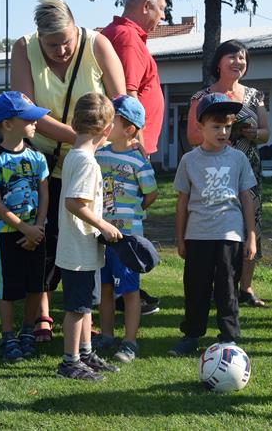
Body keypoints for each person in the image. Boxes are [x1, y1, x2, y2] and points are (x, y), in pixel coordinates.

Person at [11, 0, 126, 342]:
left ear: (77, 29)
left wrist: (101, 142)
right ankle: (43, 314)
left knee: (87, 241)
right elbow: (27, 110)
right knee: (42, 241)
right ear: (38, 38)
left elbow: (122, 102)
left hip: (90, 163)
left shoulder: (98, 44)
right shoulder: (23, 49)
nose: (61, 50)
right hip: (44, 165)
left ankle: (81, 313)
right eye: (52, 45)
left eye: (67, 42)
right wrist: (81, 136)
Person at [169, 93, 257, 356]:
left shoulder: (238, 159)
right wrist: (180, 238)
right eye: (216, 126)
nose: (222, 132)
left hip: (229, 235)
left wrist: (250, 236)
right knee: (195, 289)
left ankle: (229, 337)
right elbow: (182, 202)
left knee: (227, 289)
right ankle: (191, 335)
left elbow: (246, 198)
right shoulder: (189, 160)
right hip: (197, 235)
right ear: (200, 127)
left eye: (227, 126)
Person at [186, 40, 270, 308]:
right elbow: (192, 135)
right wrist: (220, 138)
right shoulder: (202, 97)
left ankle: (245, 287)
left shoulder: (255, 96)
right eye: (232, 57)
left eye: (243, 57)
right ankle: (218, 285)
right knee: (217, 225)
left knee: (250, 224)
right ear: (219, 63)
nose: (238, 62)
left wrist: (253, 133)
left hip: (249, 169)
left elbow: (267, 133)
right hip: (213, 170)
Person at [101, 0, 167, 315]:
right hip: (127, 149)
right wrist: (135, 142)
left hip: (128, 145)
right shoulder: (127, 37)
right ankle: (124, 293)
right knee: (124, 218)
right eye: (161, 9)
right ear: (145, 5)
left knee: (122, 215)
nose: (162, 17)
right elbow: (124, 96)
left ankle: (124, 289)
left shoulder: (127, 36)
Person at [55, 92, 122, 381]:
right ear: (106, 130)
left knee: (85, 306)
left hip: (83, 249)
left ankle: (85, 353)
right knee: (77, 308)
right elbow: (74, 202)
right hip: (77, 251)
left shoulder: (75, 155)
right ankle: (69, 362)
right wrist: (104, 225)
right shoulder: (85, 161)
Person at [0, 91, 51, 362]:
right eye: (29, 118)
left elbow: (45, 195)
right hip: (9, 234)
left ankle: (27, 331)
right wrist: (25, 229)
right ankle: (8, 336)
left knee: (36, 285)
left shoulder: (38, 158)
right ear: (8, 124)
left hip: (37, 232)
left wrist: (38, 228)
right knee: (10, 289)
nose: (36, 123)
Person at [94, 95, 158, 363]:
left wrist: (135, 209)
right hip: (102, 236)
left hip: (129, 239)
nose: (106, 124)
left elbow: (151, 194)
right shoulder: (99, 154)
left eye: (113, 119)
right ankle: (107, 335)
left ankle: (129, 342)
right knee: (105, 288)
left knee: (130, 291)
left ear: (129, 127)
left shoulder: (139, 161)